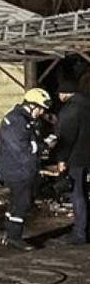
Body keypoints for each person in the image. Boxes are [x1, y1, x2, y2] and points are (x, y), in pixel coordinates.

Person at [0, 88, 52, 250]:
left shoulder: (24, 119)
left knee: (15, 203)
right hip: (18, 170)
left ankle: (9, 234)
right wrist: (43, 147)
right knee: (22, 204)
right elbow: (22, 147)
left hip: (20, 169)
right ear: (31, 105)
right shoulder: (15, 121)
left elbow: (31, 140)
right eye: (40, 108)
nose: (41, 112)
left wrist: (42, 144)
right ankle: (14, 238)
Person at [52, 77, 90, 244]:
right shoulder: (86, 106)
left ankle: (79, 234)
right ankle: (85, 229)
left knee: (76, 195)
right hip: (86, 157)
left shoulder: (70, 110)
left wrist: (61, 159)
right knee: (83, 194)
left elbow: (66, 138)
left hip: (75, 158)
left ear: (63, 93)